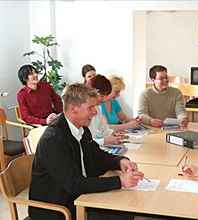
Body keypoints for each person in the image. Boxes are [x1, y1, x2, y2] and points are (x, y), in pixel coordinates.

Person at [28, 83, 144, 220]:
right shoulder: (53, 140)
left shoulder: (81, 129)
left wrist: (120, 162)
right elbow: (75, 184)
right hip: (57, 208)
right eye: (91, 107)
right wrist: (120, 181)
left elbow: (97, 155)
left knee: (126, 209)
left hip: (78, 197)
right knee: (123, 215)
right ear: (73, 109)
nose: (95, 112)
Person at [86, 75, 125, 145]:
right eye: (102, 96)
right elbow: (85, 142)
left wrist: (113, 133)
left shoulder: (98, 108)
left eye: (106, 96)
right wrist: (104, 141)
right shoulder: (84, 111)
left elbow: (104, 128)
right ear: (93, 92)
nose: (104, 99)